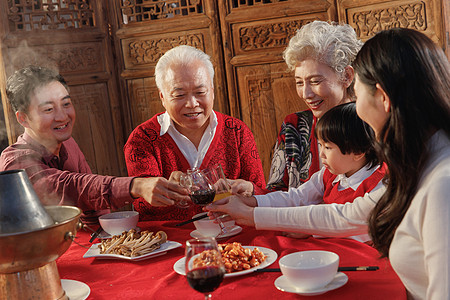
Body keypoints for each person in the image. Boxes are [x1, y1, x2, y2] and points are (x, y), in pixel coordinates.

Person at [207, 28, 450, 299]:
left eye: (358, 90)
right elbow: (351, 214)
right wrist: (253, 209)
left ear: (381, 97)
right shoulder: (421, 159)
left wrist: (253, 215)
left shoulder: (441, 183)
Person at [0, 65, 189, 222]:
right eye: (48, 109)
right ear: (23, 119)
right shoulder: (15, 162)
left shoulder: (68, 144)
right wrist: (137, 186)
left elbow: (93, 206)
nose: (62, 116)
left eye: (66, 104)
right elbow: (71, 187)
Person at [124, 45, 266, 221]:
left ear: (212, 91)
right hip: (170, 240)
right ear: (162, 97)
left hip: (235, 237)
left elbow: (262, 194)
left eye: (200, 92)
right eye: (179, 95)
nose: (192, 103)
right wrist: (166, 192)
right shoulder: (143, 139)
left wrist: (248, 189)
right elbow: (142, 208)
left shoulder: (237, 131)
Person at [255, 102, 386, 242]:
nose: (321, 154)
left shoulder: (380, 183)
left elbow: (363, 230)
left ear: (358, 152)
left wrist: (311, 230)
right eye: (320, 145)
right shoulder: (330, 174)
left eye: (328, 148)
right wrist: (255, 201)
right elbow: (297, 198)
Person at [267, 20, 363, 191]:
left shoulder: (369, 124)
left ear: (347, 76)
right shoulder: (294, 126)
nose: (306, 93)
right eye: (299, 82)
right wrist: (251, 193)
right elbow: (276, 193)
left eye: (315, 81)